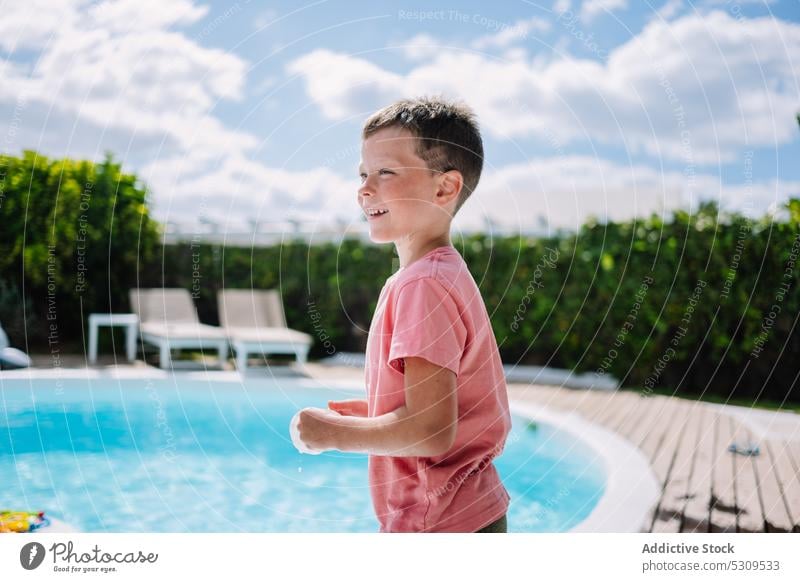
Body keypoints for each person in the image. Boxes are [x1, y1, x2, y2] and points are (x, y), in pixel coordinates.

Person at [294, 96, 512, 533]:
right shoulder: (440, 273)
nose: (365, 188)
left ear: (445, 188)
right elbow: (441, 410)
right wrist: (378, 413)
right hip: (466, 514)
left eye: (386, 172)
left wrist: (333, 435)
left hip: (439, 523)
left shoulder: (422, 285)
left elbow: (431, 432)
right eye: (362, 173)